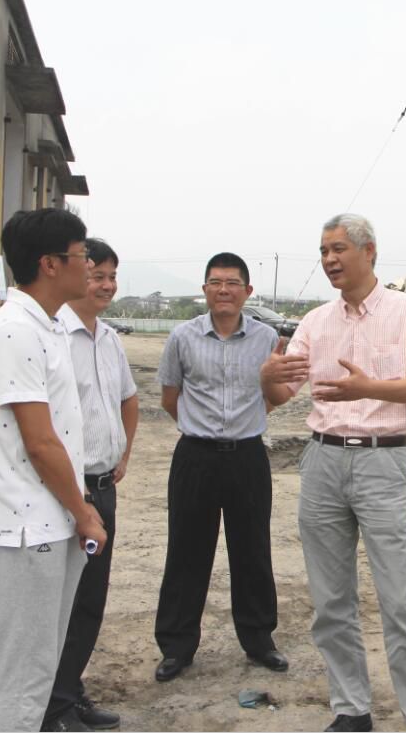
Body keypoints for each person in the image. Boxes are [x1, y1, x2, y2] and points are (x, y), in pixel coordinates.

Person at [261, 213, 406, 733]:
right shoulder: (316, 322)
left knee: (399, 598)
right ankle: (350, 708)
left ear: (369, 251)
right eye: (324, 251)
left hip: (382, 461)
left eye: (339, 249)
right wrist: (267, 378)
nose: (329, 260)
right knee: (330, 599)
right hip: (322, 461)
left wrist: (369, 388)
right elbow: (281, 396)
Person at [0, 209, 108, 732]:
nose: (89, 266)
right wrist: (85, 511)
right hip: (26, 524)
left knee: (42, 663)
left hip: (51, 519)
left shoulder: (45, 325)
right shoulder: (14, 330)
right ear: (50, 264)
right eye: (82, 256)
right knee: (26, 674)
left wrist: (75, 511)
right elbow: (41, 441)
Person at [152, 252, 287, 682]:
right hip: (195, 458)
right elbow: (170, 398)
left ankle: (259, 640)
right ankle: (176, 647)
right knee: (186, 552)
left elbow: (271, 396)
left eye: (232, 283)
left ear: (248, 291)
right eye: (215, 282)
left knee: (252, 550)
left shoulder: (266, 338)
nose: (223, 290)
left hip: (248, 457)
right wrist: (201, 431)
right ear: (205, 289)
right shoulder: (183, 337)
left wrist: (244, 424)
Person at [42, 239, 138, 732]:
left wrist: (123, 453)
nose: (107, 285)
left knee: (90, 601)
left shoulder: (109, 339)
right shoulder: (53, 336)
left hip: (103, 489)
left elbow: (128, 399)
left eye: (112, 276)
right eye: (98, 275)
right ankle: (50, 708)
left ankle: (68, 691)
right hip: (68, 492)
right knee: (61, 603)